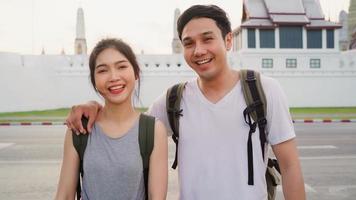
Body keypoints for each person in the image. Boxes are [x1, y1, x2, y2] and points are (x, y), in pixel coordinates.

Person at [66, 5, 305, 200]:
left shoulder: (263, 91)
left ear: (229, 40)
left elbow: (290, 167)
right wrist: (93, 104)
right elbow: (128, 124)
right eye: (189, 43)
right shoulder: (173, 100)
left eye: (207, 39)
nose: (198, 50)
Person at [55, 38, 168, 200]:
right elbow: (64, 195)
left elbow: (156, 197)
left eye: (121, 66)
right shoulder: (80, 127)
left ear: (136, 73)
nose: (114, 77)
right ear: (94, 81)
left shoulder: (153, 130)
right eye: (102, 70)